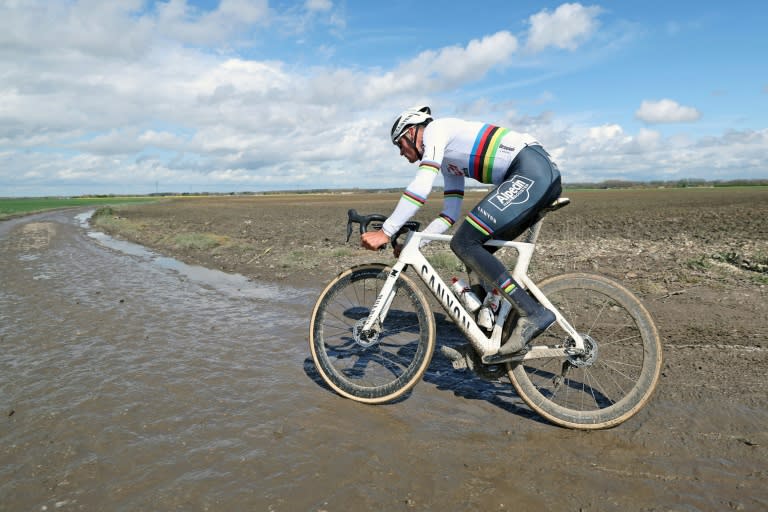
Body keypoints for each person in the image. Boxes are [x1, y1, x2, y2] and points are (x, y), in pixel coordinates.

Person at [360, 106, 562, 365]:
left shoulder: (435, 131)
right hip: (534, 173)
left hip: (531, 169)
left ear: (412, 132)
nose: (402, 154)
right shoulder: (448, 164)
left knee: (464, 242)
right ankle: (486, 342)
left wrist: (386, 232)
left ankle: (532, 312)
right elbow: (449, 214)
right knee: (475, 252)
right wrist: (418, 240)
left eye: (400, 145)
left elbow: (422, 186)